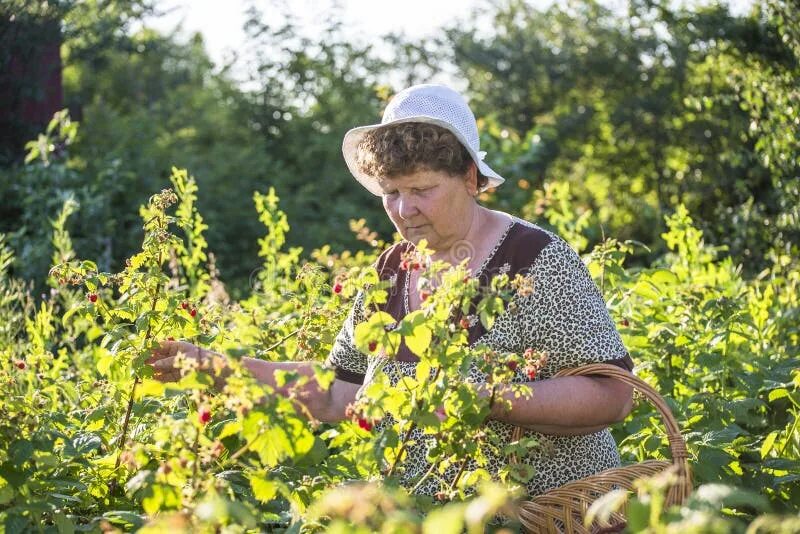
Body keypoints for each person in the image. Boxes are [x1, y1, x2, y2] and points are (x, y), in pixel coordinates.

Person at [147, 83, 634, 498]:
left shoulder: (534, 260)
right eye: (390, 193)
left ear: (470, 177)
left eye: (420, 190)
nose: (403, 210)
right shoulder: (390, 271)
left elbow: (612, 395)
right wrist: (219, 367)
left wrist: (488, 398)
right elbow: (342, 393)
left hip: (552, 515)